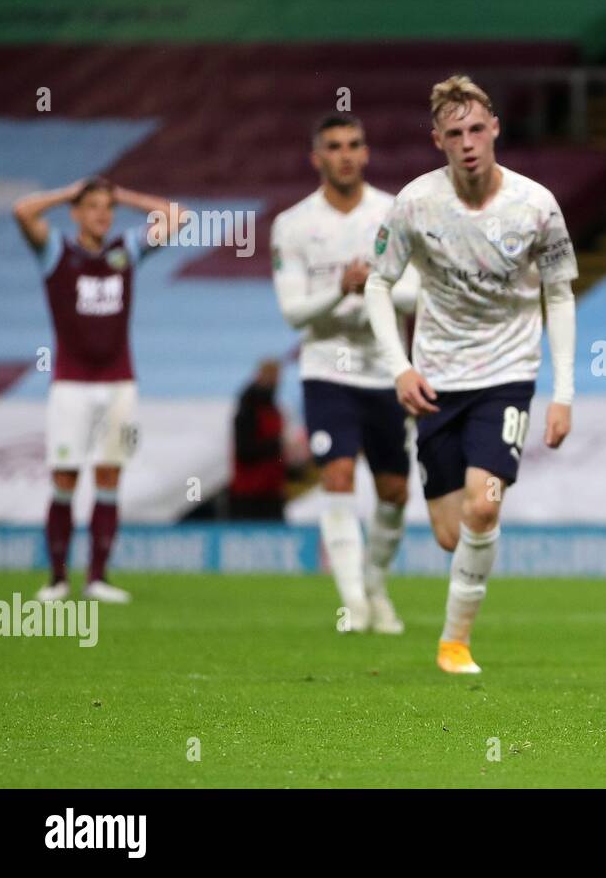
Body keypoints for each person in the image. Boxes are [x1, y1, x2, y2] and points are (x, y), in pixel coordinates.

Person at [365, 75, 578, 674]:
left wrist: (562, 393)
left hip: (508, 374)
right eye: (454, 133)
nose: (467, 142)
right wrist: (399, 368)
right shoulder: (414, 204)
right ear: (437, 139)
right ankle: (467, 584)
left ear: (495, 129)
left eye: (476, 129)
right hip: (435, 380)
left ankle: (454, 643)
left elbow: (558, 296)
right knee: (449, 532)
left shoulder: (536, 206)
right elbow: (378, 284)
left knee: (483, 510)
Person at [271, 113, 420, 633]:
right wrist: (340, 288)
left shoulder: (393, 212)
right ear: (317, 158)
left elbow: (414, 291)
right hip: (325, 370)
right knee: (336, 476)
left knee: (395, 493)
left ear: (366, 152)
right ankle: (353, 602)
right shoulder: (291, 224)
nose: (346, 154)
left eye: (354, 144)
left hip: (385, 370)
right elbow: (292, 312)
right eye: (333, 146)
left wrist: (371, 283)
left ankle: (376, 585)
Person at [13, 177, 178, 603]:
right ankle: (56, 579)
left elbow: (178, 218)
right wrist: (67, 192)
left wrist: (126, 195)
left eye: (108, 207)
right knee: (64, 479)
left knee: (109, 477)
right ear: (75, 212)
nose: (102, 214)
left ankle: (98, 578)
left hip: (119, 382)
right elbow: (23, 211)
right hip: (70, 384)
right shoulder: (57, 253)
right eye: (92, 207)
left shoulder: (125, 250)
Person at [229, 359, 286, 521]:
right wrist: (277, 446)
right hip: (250, 495)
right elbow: (244, 451)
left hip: (271, 491)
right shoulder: (248, 409)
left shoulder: (273, 409)